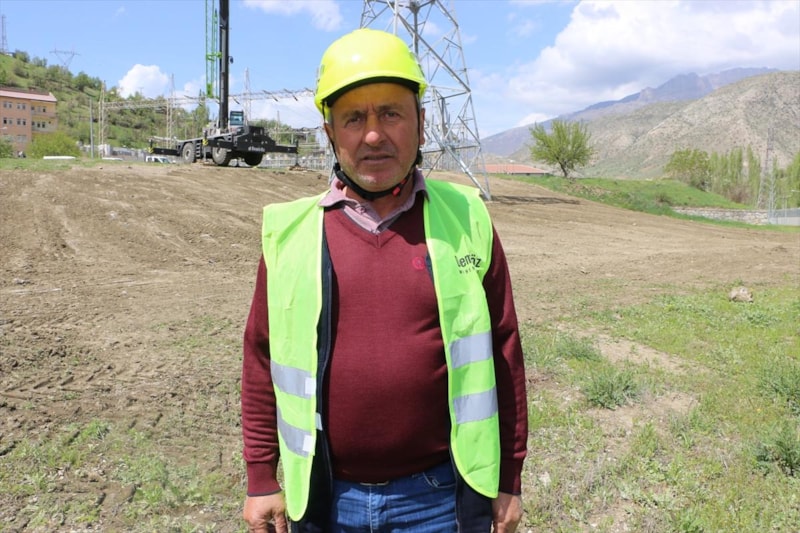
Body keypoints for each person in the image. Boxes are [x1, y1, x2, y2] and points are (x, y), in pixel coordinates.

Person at [241, 28, 528, 533]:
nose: (373, 135)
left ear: (422, 123)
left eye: (391, 114)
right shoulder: (290, 233)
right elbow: (262, 360)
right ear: (330, 132)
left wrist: (509, 478)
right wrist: (262, 478)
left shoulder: (467, 218)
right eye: (354, 118)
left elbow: (505, 354)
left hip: (440, 498)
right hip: (327, 499)